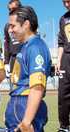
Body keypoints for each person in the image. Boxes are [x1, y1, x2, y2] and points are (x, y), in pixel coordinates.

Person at [4, 6, 51, 132]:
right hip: (19, 104)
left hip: (24, 104)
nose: (10, 30)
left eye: (12, 26)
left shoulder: (35, 47)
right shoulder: (26, 46)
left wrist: (26, 121)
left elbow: (37, 87)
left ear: (26, 24)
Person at [56, 0, 70, 131]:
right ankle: (64, 126)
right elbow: (61, 43)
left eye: (68, 1)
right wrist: (59, 61)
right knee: (63, 94)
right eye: (64, 2)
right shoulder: (63, 19)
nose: (66, 4)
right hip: (66, 59)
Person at [3, 0, 22, 78]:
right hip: (14, 59)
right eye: (9, 9)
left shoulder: (28, 22)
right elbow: (6, 44)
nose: (11, 11)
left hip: (26, 57)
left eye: (14, 8)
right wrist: (6, 62)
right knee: (14, 86)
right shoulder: (7, 26)